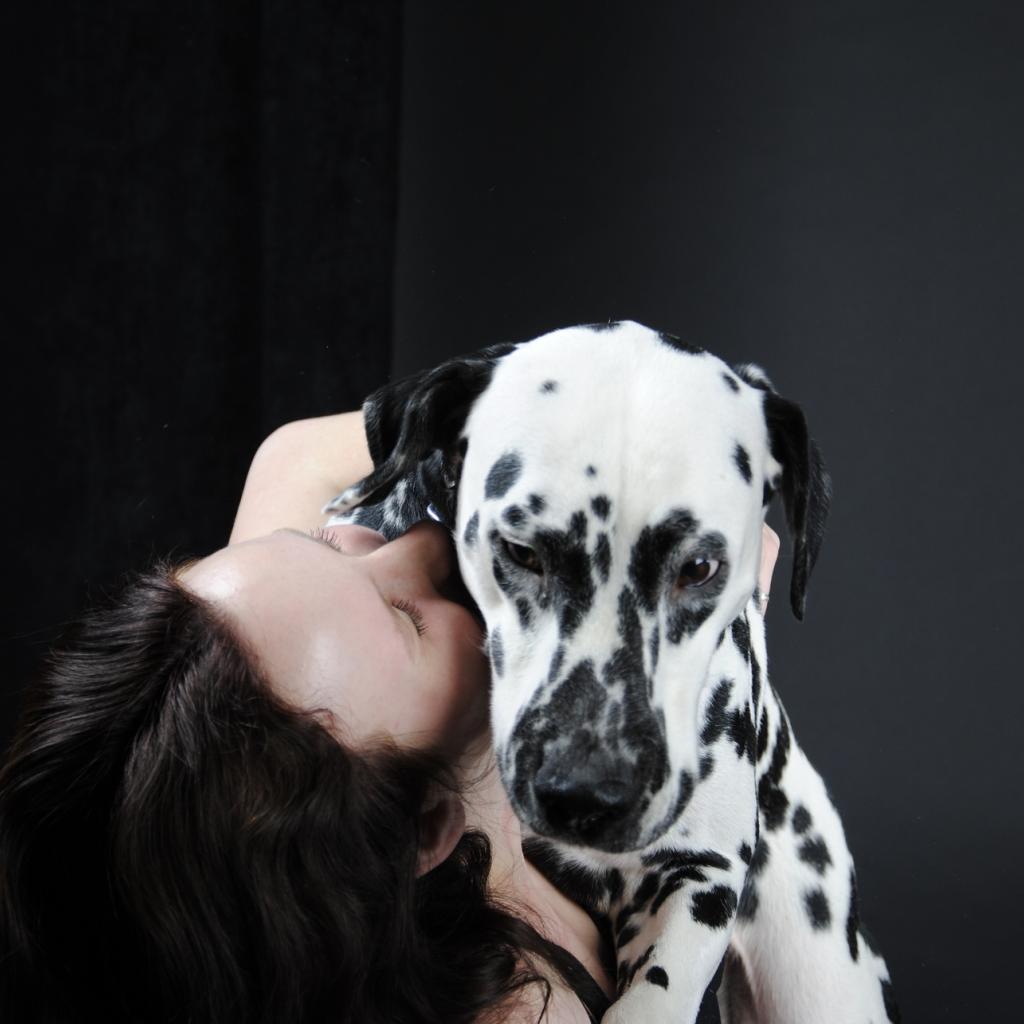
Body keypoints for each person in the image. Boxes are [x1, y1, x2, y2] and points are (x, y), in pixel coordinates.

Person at [0, 411, 779, 1023]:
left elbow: (293, 459)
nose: (426, 543)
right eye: (408, 618)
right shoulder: (527, 1010)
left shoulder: (260, 670)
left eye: (322, 543)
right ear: (426, 829)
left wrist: (531, 403)